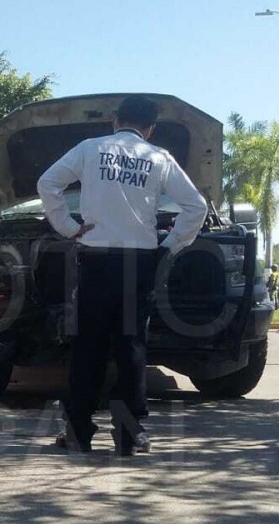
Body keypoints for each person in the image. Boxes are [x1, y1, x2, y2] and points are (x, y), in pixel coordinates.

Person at [37, 94, 207, 456]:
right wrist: (171, 243)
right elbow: (196, 206)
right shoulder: (158, 157)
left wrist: (68, 226)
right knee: (130, 346)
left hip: (95, 260)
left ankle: (79, 432)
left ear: (115, 120)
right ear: (150, 129)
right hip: (140, 263)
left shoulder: (89, 149)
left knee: (88, 346)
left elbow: (47, 184)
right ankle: (129, 435)